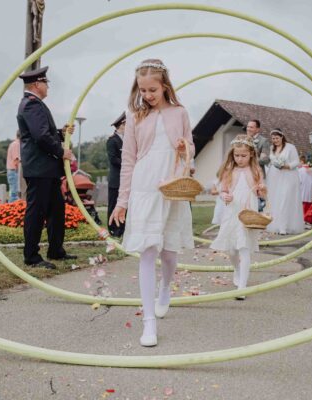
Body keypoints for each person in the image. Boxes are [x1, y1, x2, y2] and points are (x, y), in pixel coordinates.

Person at [109, 59, 195, 347]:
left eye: (153, 89)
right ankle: (148, 322)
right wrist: (122, 201)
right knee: (148, 252)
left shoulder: (180, 112)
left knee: (168, 253)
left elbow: (190, 150)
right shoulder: (134, 116)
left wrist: (185, 149)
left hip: (170, 185)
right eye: (143, 90)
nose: (147, 95)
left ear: (165, 86)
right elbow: (129, 160)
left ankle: (165, 287)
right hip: (144, 187)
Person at [16, 66, 77, 269]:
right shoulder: (32, 105)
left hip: (46, 169)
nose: (47, 86)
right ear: (36, 84)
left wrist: (60, 132)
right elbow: (40, 136)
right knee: (37, 211)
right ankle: (31, 256)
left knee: (56, 210)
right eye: (45, 83)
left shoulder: (35, 104)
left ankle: (56, 250)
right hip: (39, 168)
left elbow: (44, 132)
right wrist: (62, 152)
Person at [210, 134, 266, 300]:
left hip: (248, 209)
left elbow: (260, 192)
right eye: (237, 155)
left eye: (243, 156)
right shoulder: (229, 170)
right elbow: (223, 190)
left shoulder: (256, 170)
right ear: (232, 154)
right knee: (232, 250)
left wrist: (262, 189)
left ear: (251, 155)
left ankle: (241, 287)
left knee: (244, 247)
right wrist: (224, 196)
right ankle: (237, 269)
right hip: (232, 209)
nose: (240, 159)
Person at [266, 129, 304, 234]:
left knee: (285, 200)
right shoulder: (271, 148)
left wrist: (286, 166)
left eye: (277, 138)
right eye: (273, 138)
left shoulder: (290, 147)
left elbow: (297, 162)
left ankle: (284, 226)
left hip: (288, 176)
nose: (275, 140)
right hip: (275, 177)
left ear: (282, 137)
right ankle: (276, 225)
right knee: (275, 200)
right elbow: (271, 161)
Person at [106, 111, 126, 237]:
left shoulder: (126, 140)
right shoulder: (112, 141)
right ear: (121, 125)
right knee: (114, 204)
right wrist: (128, 163)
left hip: (125, 179)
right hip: (116, 179)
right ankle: (113, 229)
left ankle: (122, 229)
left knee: (124, 205)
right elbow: (113, 159)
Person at [6, 130, 21, 202]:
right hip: (14, 171)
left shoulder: (13, 144)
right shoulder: (16, 144)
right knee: (14, 194)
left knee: (13, 193)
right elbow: (16, 160)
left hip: (12, 171)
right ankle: (10, 211)